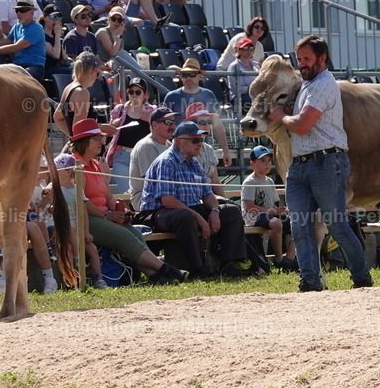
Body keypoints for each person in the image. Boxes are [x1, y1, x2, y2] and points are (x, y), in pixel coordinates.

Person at [268, 35, 372, 291]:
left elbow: (302, 125)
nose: (301, 63)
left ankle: (361, 278)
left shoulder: (324, 84)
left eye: (306, 59)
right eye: (299, 59)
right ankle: (310, 281)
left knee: (336, 225)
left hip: (327, 162)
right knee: (300, 226)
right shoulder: (308, 84)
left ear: (322, 58)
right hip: (302, 164)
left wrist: (281, 116)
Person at [69, 118, 187, 284]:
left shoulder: (96, 164)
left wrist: (121, 212)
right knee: (124, 236)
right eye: (96, 138)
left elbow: (109, 196)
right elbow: (80, 202)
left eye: (101, 138)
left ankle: (156, 276)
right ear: (83, 141)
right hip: (85, 219)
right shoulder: (74, 164)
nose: (101, 142)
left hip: (103, 215)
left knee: (135, 234)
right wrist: (106, 214)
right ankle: (167, 269)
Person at [139, 119, 247, 279]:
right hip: (158, 213)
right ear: (178, 141)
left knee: (231, 211)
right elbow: (168, 201)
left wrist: (215, 211)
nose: (200, 144)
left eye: (201, 140)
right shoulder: (166, 162)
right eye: (195, 140)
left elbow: (207, 193)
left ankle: (229, 263)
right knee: (186, 217)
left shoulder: (194, 163)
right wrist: (200, 218)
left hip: (188, 209)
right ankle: (197, 268)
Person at [51, 153, 107, 289]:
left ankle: (98, 279)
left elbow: (83, 212)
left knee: (92, 249)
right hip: (62, 230)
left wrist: (86, 232)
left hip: (77, 231)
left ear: (68, 171)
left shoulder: (78, 190)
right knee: (68, 248)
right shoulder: (53, 189)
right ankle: (73, 277)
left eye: (57, 168)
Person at [163, 58, 232, 165]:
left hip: (201, 147)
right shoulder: (171, 97)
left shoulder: (208, 95)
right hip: (178, 149)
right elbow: (165, 125)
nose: (188, 77)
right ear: (181, 77)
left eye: (192, 74)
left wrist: (225, 150)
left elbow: (217, 124)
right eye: (185, 75)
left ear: (200, 76)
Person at [242, 145, 296, 271]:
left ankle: (289, 260)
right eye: (262, 161)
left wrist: (282, 210)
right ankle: (278, 259)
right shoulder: (250, 182)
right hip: (252, 216)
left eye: (269, 161)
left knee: (297, 223)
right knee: (276, 223)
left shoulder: (270, 181)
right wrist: (273, 211)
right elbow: (249, 207)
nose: (267, 164)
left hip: (268, 215)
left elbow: (273, 205)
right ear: (252, 163)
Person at [105, 75, 153, 193]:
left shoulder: (152, 111)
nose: (134, 95)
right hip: (121, 156)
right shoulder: (119, 110)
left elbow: (159, 135)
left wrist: (151, 121)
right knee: (127, 192)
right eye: (131, 92)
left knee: (143, 192)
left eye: (138, 92)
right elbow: (109, 135)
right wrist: (113, 126)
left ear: (145, 95)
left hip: (143, 156)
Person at [0, 0, 45, 80]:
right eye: (17, 11)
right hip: (17, 66)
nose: (19, 14)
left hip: (34, 66)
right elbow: (7, 41)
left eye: (23, 10)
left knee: (22, 78)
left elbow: (16, 47)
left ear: (32, 12)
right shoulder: (17, 26)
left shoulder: (36, 28)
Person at [129, 107, 177, 209]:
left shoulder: (169, 145)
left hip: (166, 197)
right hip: (146, 201)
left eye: (173, 122)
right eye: (168, 122)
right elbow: (152, 184)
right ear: (154, 125)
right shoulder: (146, 146)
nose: (173, 126)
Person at [52, 51, 107, 140]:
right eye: (97, 73)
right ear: (92, 70)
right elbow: (80, 129)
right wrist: (104, 128)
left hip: (77, 146)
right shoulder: (82, 92)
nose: (97, 77)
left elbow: (57, 117)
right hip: (83, 149)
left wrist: (71, 136)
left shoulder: (68, 88)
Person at [227, 36, 259, 108]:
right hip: (240, 97)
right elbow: (236, 89)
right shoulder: (234, 66)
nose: (249, 51)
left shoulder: (256, 65)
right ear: (239, 50)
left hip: (255, 94)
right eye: (245, 48)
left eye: (251, 48)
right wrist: (254, 88)